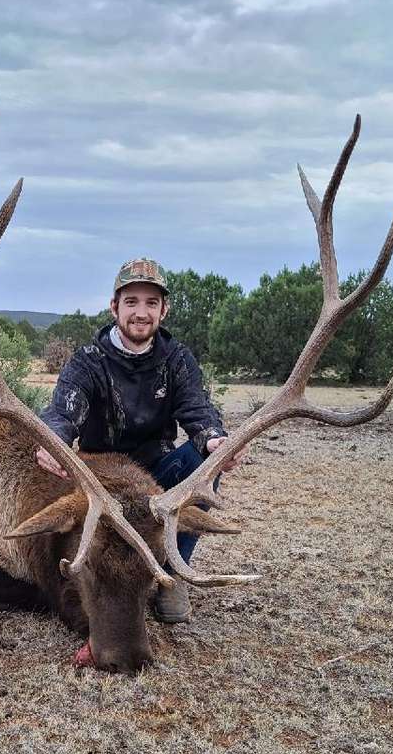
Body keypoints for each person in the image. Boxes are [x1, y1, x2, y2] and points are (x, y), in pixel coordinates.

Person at [36, 257, 241, 623]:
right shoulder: (88, 361)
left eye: (151, 303)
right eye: (131, 302)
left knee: (202, 465)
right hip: (101, 481)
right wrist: (55, 438)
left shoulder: (176, 360)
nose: (141, 313)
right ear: (114, 307)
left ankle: (172, 576)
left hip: (155, 475)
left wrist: (213, 442)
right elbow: (64, 410)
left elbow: (198, 410)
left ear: (164, 310)